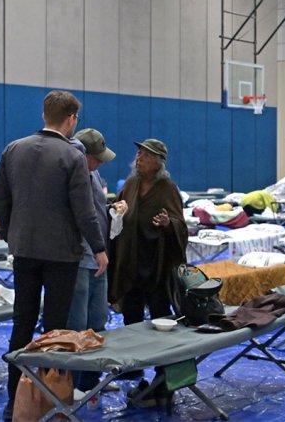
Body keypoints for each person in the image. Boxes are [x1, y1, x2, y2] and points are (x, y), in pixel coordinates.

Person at [0, 90, 108, 420]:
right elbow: (84, 211)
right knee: (56, 333)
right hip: (62, 254)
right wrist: (99, 248)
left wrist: (16, 234)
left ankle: (15, 402)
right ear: (71, 119)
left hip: (25, 251)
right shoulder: (71, 157)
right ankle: (52, 403)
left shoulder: (14, 149)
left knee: (22, 325)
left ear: (45, 114)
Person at [109, 138, 188, 407]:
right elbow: (117, 211)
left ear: (158, 163)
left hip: (157, 266)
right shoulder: (130, 185)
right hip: (131, 262)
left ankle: (163, 376)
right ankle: (134, 364)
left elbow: (180, 225)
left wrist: (168, 224)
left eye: (145, 155)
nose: (139, 158)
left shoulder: (167, 189)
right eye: (139, 153)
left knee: (159, 319)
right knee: (131, 316)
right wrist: (115, 210)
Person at [66, 128, 118, 408]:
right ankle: (71, 385)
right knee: (77, 326)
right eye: (96, 157)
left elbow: (95, 208)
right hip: (79, 258)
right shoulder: (72, 172)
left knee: (98, 321)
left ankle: (93, 381)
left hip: (99, 257)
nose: (99, 162)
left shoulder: (94, 173)